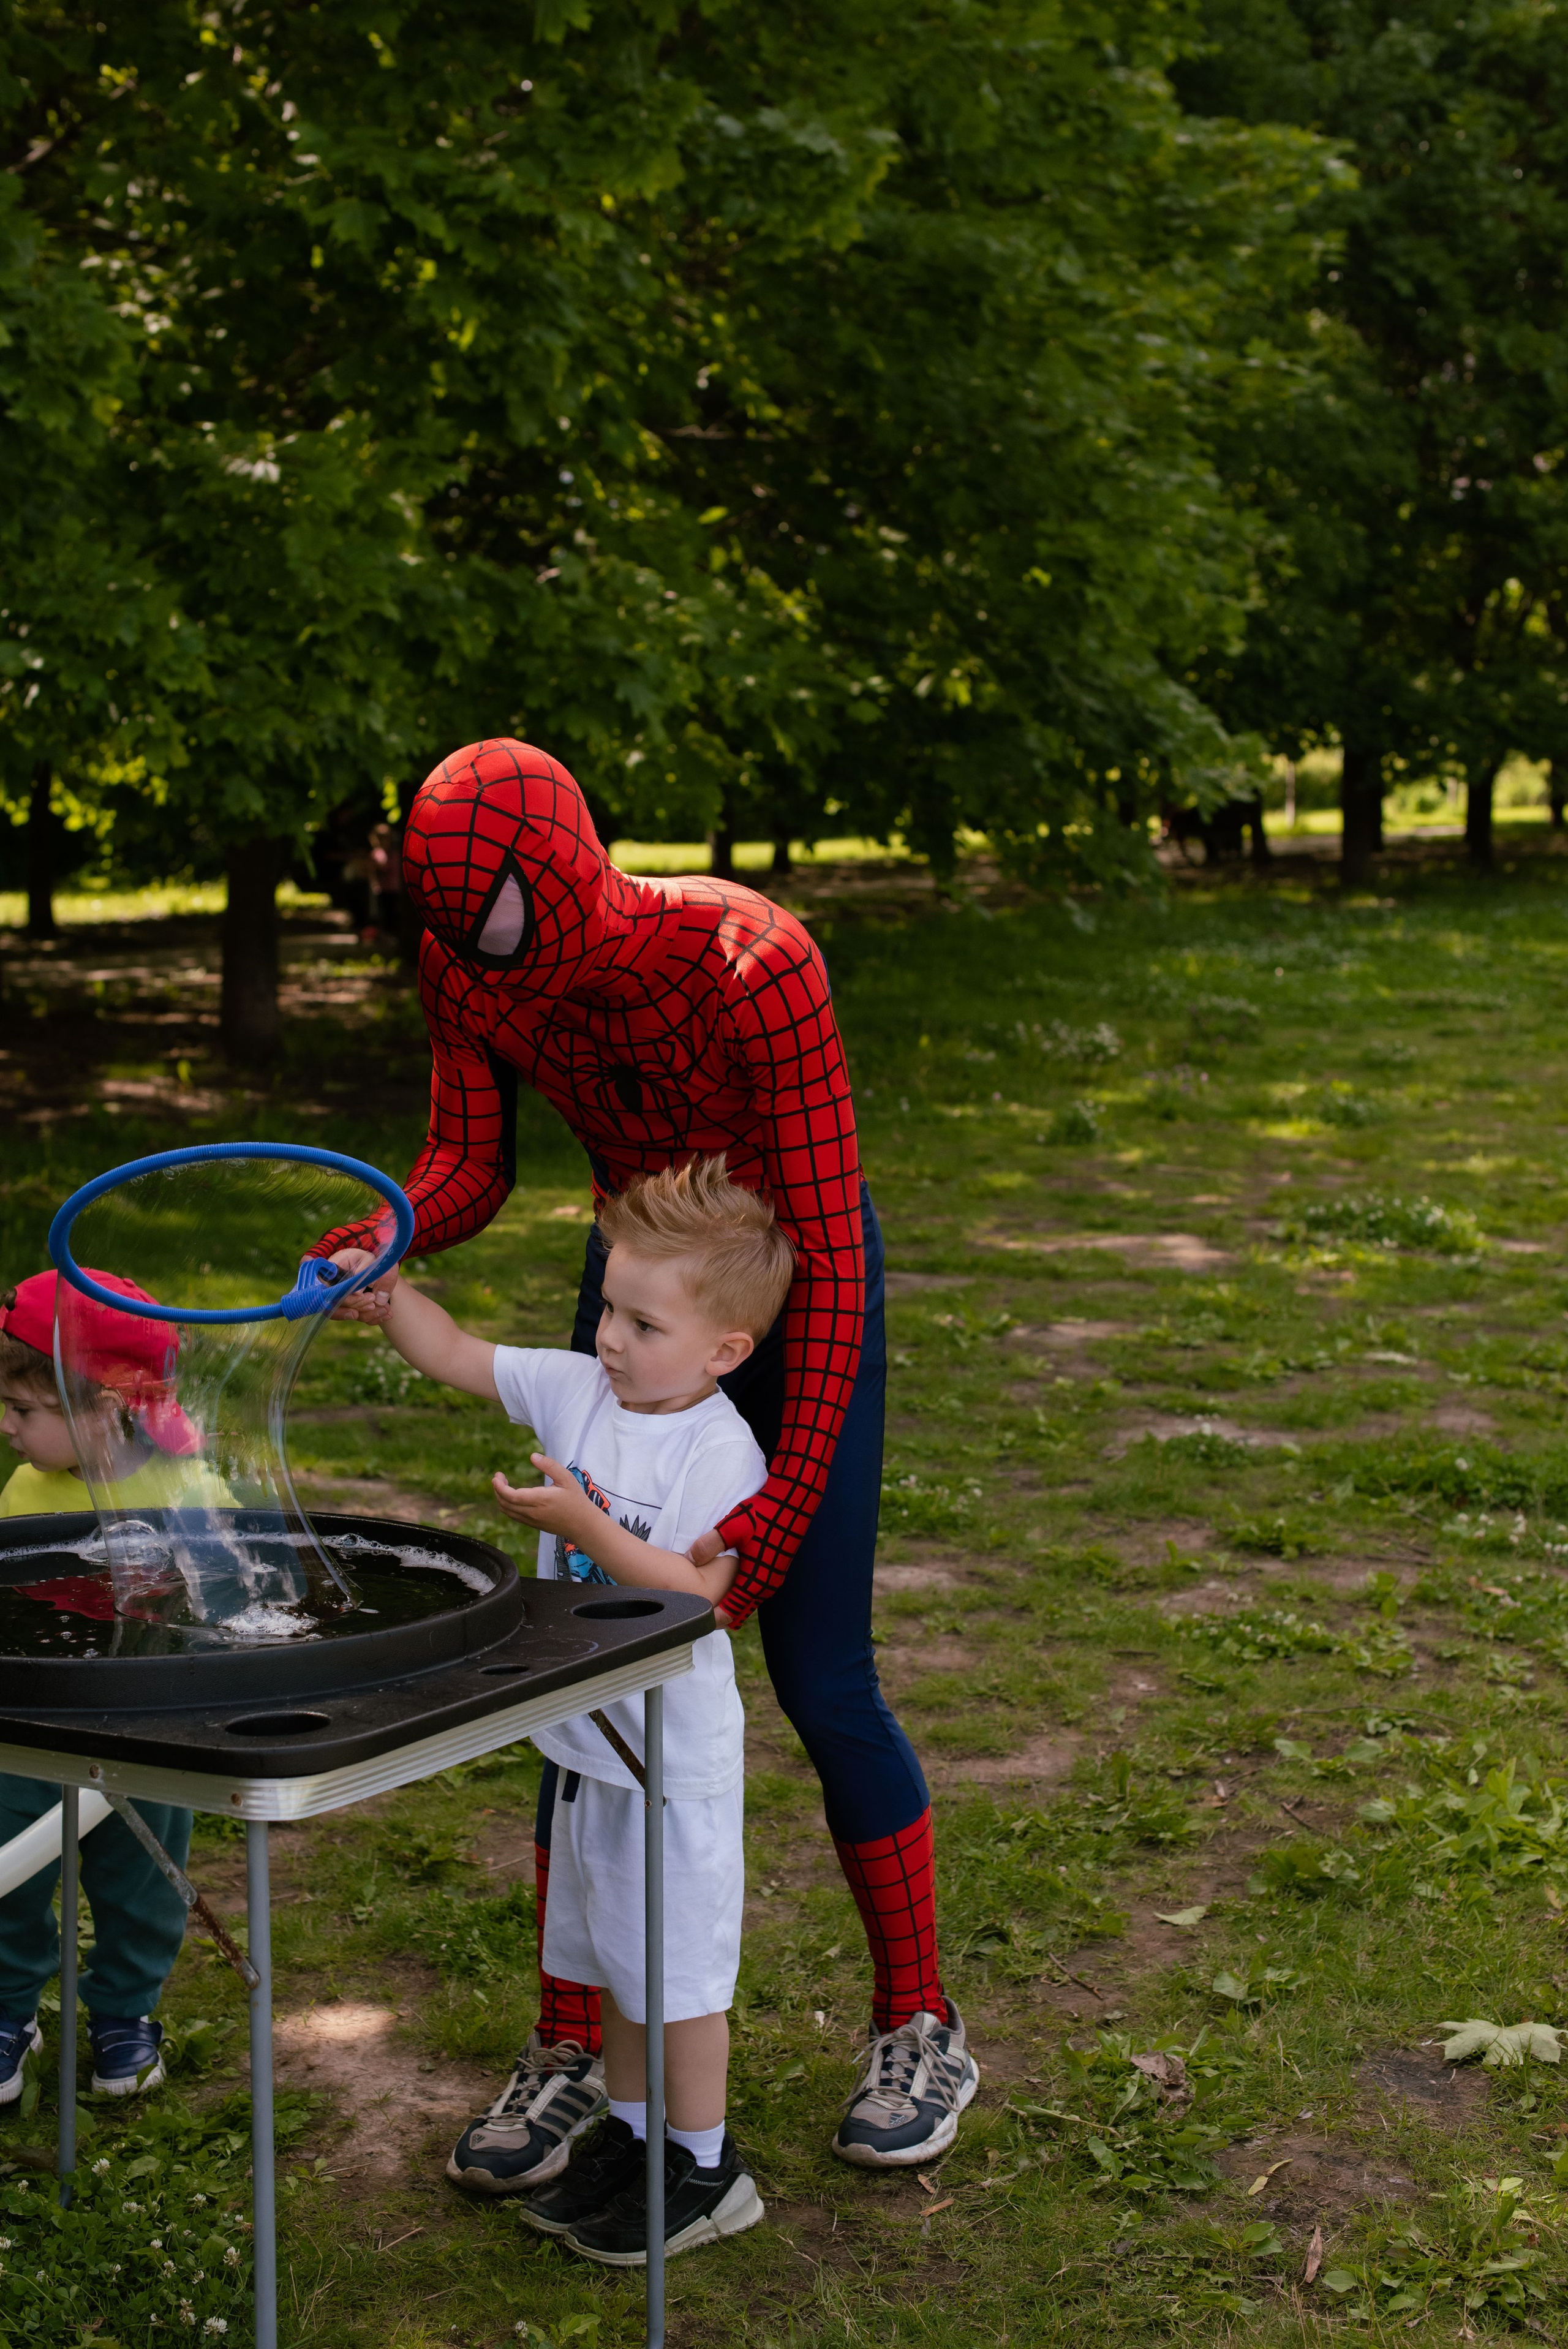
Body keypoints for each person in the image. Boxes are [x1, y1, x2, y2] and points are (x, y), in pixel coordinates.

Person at [313, 737, 974, 2178]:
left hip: (791, 1288)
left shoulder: (753, 960)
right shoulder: (465, 966)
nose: (482, 945)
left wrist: (780, 1501)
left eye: (495, 911)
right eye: (451, 918)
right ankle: (572, 2046)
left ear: (557, 871)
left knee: (822, 1673)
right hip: (640, 1290)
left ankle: (917, 2016)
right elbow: (470, 1159)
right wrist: (389, 1232)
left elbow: (824, 1243)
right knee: (576, 1674)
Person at [334, 1157, 788, 2262]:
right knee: (622, 1964)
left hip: (672, 1764)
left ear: (726, 1351)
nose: (611, 1341)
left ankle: (707, 2168)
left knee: (677, 1980)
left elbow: (699, 1597)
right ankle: (633, 2139)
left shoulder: (720, 1448)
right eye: (609, 1311)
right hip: (595, 1750)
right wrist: (392, 1298)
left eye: (644, 1324)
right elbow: (459, 1354)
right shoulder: (583, 1388)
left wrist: (586, 1526)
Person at [0, 1271, 233, 2103]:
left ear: (102, 1408)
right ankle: (8, 2010)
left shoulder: (190, 1494)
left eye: (23, 1409)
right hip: (30, 1725)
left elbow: (227, 1607)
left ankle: (124, 2012)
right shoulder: (26, 1492)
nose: (7, 1426)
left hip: (145, 1727)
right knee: (10, 1869)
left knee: (141, 1879)